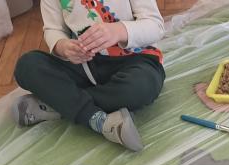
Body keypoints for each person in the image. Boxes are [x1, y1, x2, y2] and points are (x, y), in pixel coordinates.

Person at [11, 0, 165, 152]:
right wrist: (63, 47)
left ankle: (58, 104)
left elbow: (155, 25)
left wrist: (118, 31)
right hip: (83, 65)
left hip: (134, 60)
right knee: (27, 65)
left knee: (140, 86)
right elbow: (53, 29)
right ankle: (99, 120)